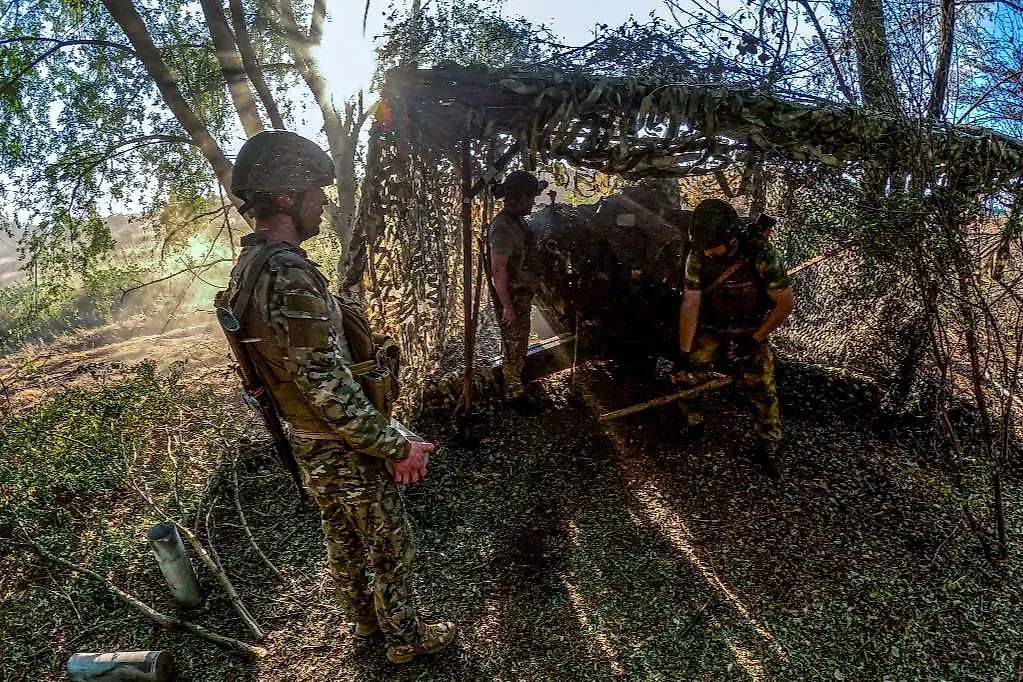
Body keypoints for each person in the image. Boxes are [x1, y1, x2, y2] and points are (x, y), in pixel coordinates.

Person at [220, 130, 456, 663]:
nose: (322, 203)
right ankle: (406, 638)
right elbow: (323, 380)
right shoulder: (288, 273)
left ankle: (366, 624)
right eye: (314, 192)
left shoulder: (249, 270)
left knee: (343, 536)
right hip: (338, 438)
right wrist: (395, 445)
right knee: (388, 543)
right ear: (284, 196)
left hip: (308, 437)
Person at [677, 198, 795, 477]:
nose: (707, 254)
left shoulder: (762, 254)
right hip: (712, 323)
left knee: (760, 380)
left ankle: (768, 438)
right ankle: (694, 421)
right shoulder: (698, 255)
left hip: (750, 327)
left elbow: (784, 304)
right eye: (703, 248)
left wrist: (755, 339)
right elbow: (690, 304)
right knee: (689, 370)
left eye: (712, 247)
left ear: (731, 240)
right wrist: (683, 353)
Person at [488, 170, 544, 408]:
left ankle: (515, 384)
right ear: (518, 198)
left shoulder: (516, 221)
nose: (533, 202)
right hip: (513, 296)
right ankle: (513, 395)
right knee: (514, 346)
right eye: (530, 198)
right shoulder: (502, 227)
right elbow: (498, 269)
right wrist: (507, 306)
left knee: (518, 343)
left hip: (520, 294)